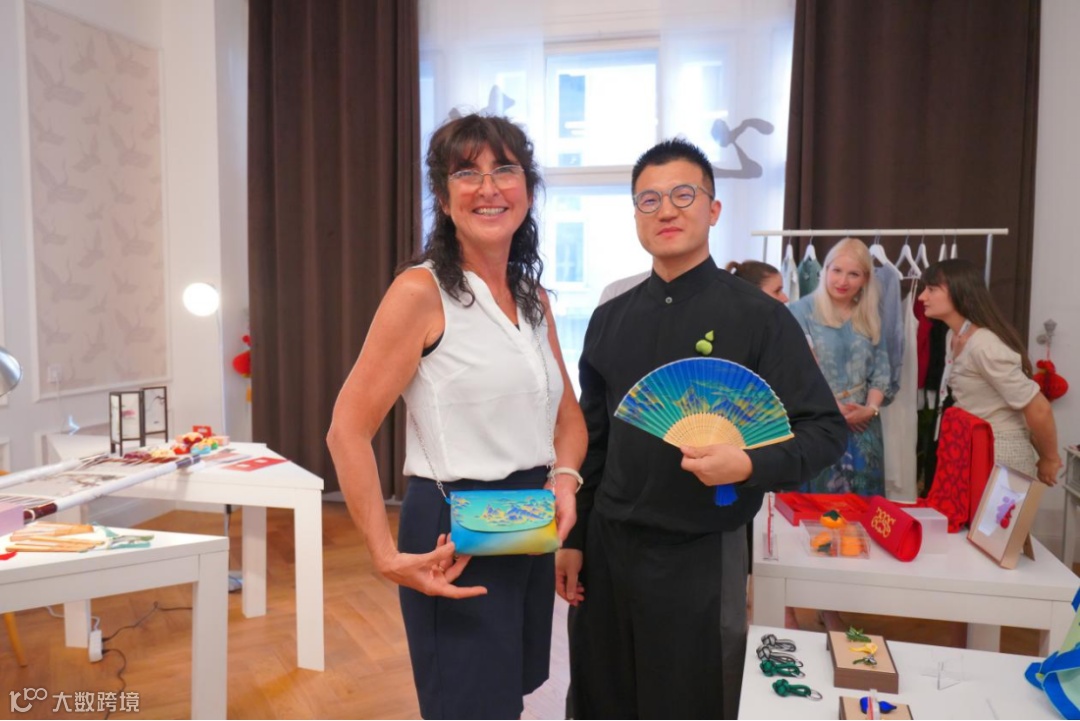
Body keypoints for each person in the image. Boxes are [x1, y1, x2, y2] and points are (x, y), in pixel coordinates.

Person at [557, 138, 846, 719]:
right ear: (636, 215)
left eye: (683, 195)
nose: (666, 210)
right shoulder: (610, 318)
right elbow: (594, 440)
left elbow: (825, 429)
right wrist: (574, 539)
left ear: (713, 209)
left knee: (692, 700)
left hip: (701, 551)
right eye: (649, 199)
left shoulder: (760, 318)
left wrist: (749, 464)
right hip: (609, 547)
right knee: (601, 696)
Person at [326, 113, 587, 720]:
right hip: (455, 527)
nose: (488, 188)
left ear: (528, 190)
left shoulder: (533, 299)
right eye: (467, 173)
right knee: (467, 706)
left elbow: (568, 421)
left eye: (505, 170)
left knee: (506, 698)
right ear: (444, 200)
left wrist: (566, 481)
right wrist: (382, 554)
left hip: (530, 523)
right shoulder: (420, 293)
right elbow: (347, 430)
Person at [918, 259, 1061, 485]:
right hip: (974, 446)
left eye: (932, 289)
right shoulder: (952, 336)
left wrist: (1049, 459)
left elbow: (1039, 408)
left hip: (1001, 453)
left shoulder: (984, 345)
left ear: (959, 292)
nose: (922, 297)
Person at [787, 237, 892, 496]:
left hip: (863, 428)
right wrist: (833, 407)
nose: (843, 281)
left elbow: (881, 372)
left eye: (853, 274)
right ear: (825, 270)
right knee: (817, 507)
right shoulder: (799, 312)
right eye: (837, 270)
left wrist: (871, 409)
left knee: (864, 508)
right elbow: (800, 372)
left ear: (865, 279)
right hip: (817, 424)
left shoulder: (871, 315)